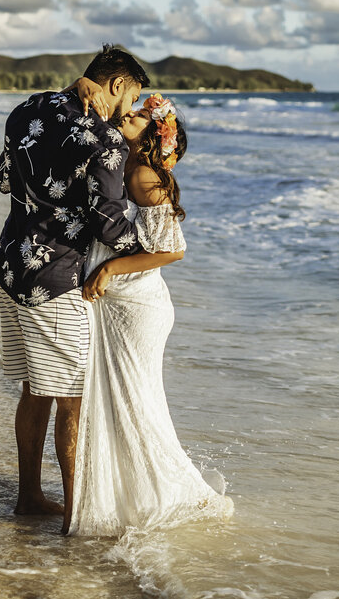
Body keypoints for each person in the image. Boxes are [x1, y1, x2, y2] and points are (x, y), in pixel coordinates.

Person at [0, 44, 149, 535]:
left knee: (34, 390)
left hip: (12, 265)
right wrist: (148, 246)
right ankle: (79, 513)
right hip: (56, 279)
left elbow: (3, 178)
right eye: (133, 98)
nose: (130, 112)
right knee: (73, 398)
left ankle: (29, 497)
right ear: (119, 84)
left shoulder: (27, 109)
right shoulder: (105, 139)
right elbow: (109, 225)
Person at [69, 92, 234, 536]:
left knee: (136, 405)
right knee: (124, 406)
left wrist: (111, 267)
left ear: (150, 139)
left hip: (137, 306)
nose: (133, 113)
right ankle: (132, 500)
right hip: (120, 301)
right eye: (136, 108)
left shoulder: (142, 174)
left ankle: (176, 497)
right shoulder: (121, 162)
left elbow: (173, 249)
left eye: (143, 116)